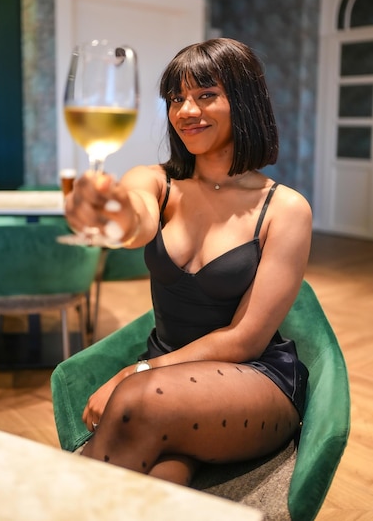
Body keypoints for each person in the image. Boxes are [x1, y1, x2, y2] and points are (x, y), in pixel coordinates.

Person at [64, 37, 312, 486]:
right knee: (158, 481)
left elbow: (244, 340)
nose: (185, 111)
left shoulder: (285, 208)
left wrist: (135, 371)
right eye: (176, 98)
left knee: (138, 402)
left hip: (253, 378)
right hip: (171, 377)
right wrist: (109, 214)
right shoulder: (157, 181)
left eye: (205, 95)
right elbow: (134, 216)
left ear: (244, 101)